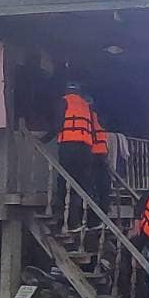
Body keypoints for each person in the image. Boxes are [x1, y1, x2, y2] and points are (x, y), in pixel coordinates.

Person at [54, 81, 97, 215]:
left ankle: (61, 213)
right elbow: (93, 130)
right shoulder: (86, 105)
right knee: (81, 183)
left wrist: (44, 139)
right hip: (85, 148)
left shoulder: (64, 101)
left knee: (65, 179)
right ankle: (79, 218)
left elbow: (58, 124)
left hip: (69, 145)